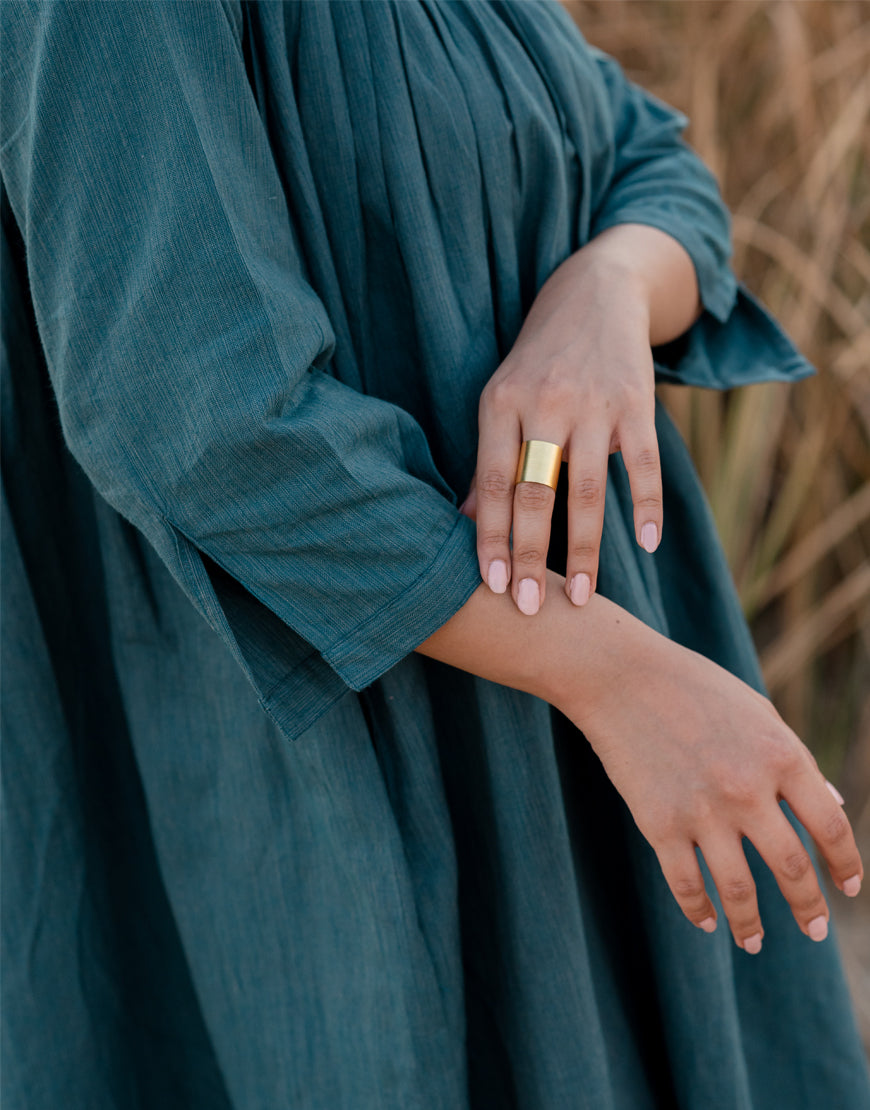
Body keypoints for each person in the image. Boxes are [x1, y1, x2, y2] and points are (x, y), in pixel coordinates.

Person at [1, 1, 868, 1106]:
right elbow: (202, 420)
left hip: (570, 720)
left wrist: (600, 294)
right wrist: (621, 679)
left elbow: (647, 152)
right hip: (344, 755)